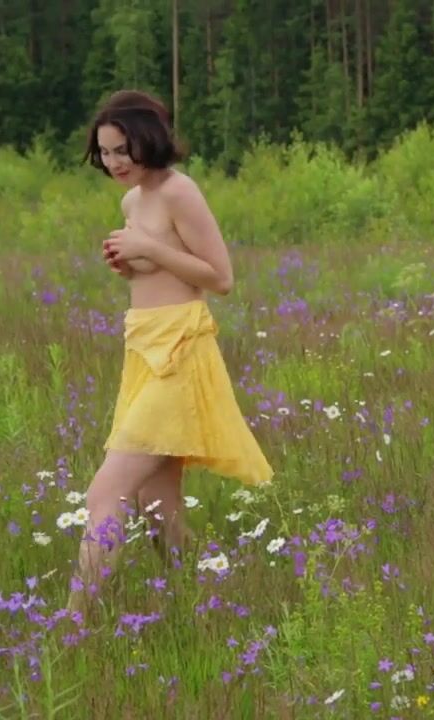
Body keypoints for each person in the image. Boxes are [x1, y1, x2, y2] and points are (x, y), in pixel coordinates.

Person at [68, 90, 273, 619]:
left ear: (149, 139)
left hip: (181, 353)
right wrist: (129, 266)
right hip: (143, 348)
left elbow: (220, 278)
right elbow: (161, 272)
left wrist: (150, 250)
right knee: (157, 509)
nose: (114, 162)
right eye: (105, 152)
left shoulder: (180, 191)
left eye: (122, 150)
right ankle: (210, 605)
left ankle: (73, 626)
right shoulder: (131, 202)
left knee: (105, 493)